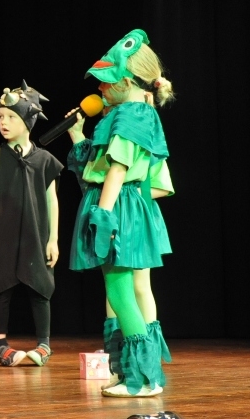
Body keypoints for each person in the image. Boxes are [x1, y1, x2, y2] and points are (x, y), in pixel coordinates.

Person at [66, 29, 174, 398]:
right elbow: (97, 168)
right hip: (120, 203)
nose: (100, 89)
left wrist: (104, 214)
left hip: (119, 206)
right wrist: (77, 133)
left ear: (126, 81)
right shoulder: (131, 114)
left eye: (106, 81)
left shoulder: (131, 116)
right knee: (120, 289)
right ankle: (132, 371)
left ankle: (141, 378)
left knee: (119, 288)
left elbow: (117, 168)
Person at [0, 81, 63, 367]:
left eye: (11, 117)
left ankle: (44, 344)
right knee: (1, 289)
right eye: (0, 117)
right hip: (2, 235)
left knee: (40, 287)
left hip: (35, 235)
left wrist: (53, 239)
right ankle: (1, 344)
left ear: (27, 121)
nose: (3, 122)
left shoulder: (45, 160)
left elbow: (52, 201)